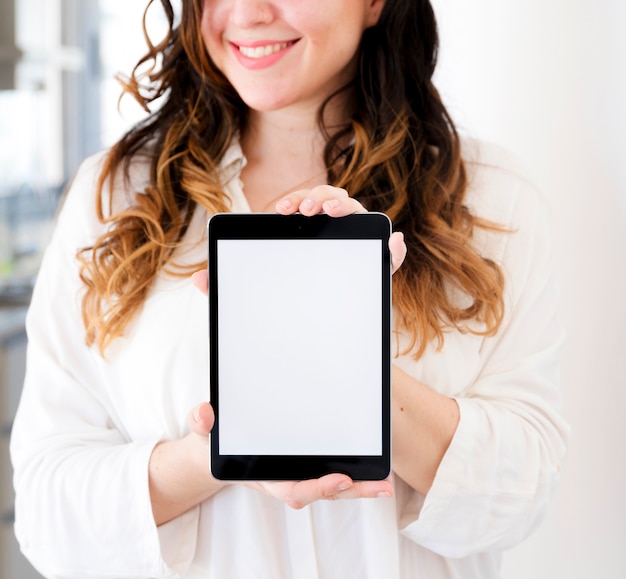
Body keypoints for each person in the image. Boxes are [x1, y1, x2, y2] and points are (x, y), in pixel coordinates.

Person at [10, 0, 569, 577]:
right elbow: (48, 511)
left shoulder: (492, 199)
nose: (248, 13)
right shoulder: (113, 196)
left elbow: (522, 493)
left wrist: (351, 366)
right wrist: (231, 448)